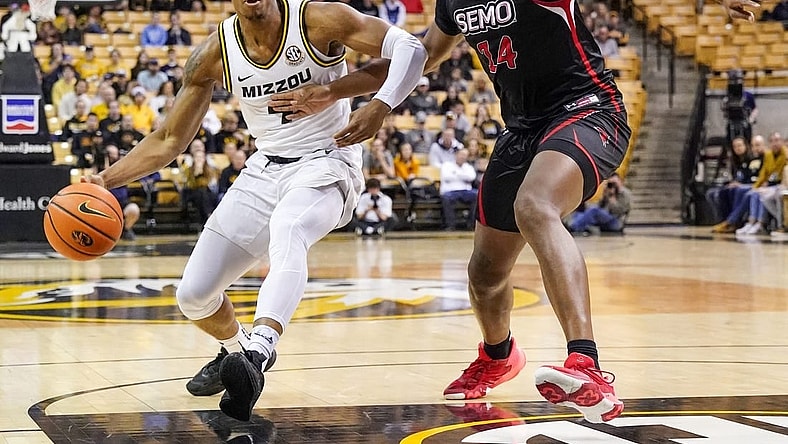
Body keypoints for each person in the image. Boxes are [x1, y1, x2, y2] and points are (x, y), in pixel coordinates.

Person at [268, 0, 757, 424]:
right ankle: (499, 356)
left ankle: (586, 366)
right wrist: (342, 94)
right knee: (484, 274)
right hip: (521, 130)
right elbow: (419, 59)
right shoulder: (453, 3)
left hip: (587, 110)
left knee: (535, 206)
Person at [82, 0, 426, 422]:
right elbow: (171, 139)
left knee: (289, 227)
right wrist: (105, 180)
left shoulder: (318, 19)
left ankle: (260, 348)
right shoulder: (216, 51)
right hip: (264, 168)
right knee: (194, 295)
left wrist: (371, 103)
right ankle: (237, 353)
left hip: (327, 158)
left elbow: (411, 49)